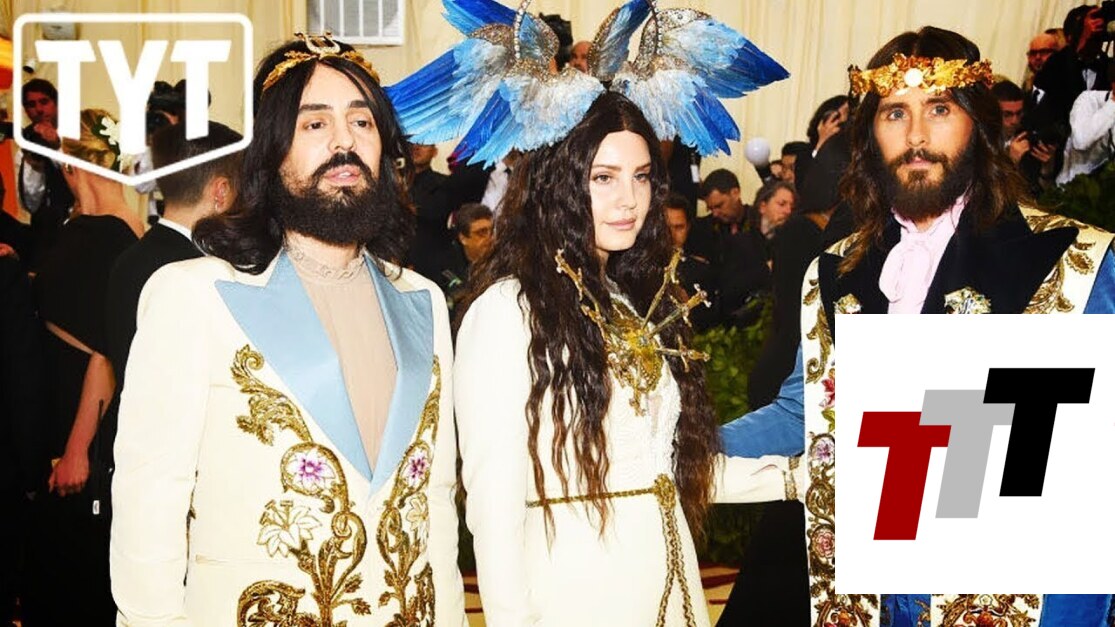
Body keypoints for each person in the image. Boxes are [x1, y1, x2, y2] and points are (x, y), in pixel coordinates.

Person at [389, 1, 794, 624]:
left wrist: (808, 475)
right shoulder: (507, 311)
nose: (629, 199)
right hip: (576, 597)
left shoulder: (631, 302)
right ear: (560, 181)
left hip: (673, 593)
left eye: (641, 176)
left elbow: (666, 470)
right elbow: (493, 508)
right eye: (604, 177)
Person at [721, 26, 1115, 626]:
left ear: (978, 125)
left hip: (1024, 605)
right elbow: (805, 412)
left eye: (939, 109)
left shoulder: (1072, 262)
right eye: (894, 113)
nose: (916, 137)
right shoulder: (835, 273)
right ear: (869, 136)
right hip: (874, 599)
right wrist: (678, 444)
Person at [110, 33, 467, 626]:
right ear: (271, 152)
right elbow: (149, 504)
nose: (344, 142)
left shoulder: (422, 301)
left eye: (362, 122)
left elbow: (436, 505)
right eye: (315, 124)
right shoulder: (193, 295)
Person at [24, 108, 142, 627]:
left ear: (71, 165)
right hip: (56, 398)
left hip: (81, 416)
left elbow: (106, 352)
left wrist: (77, 449)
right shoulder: (86, 225)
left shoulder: (116, 236)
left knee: (72, 563)